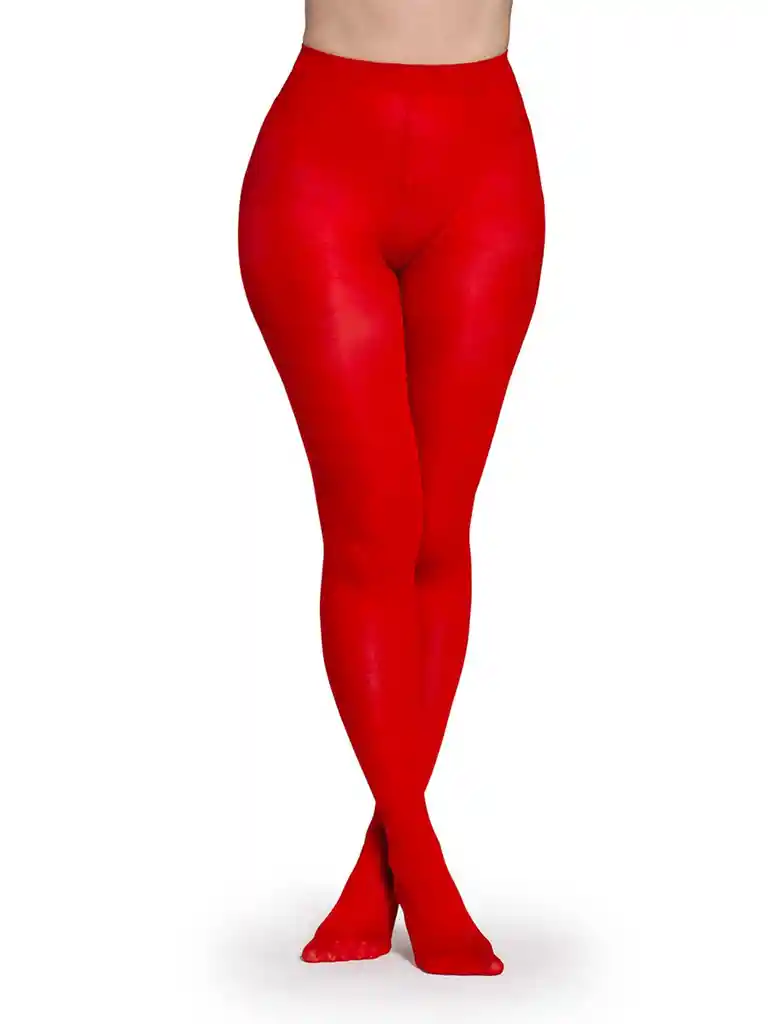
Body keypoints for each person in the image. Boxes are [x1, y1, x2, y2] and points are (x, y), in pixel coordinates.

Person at [237, 0, 545, 976]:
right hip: (322, 164)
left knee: (438, 533)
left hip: (486, 165)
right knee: (373, 530)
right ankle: (421, 857)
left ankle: (379, 873)